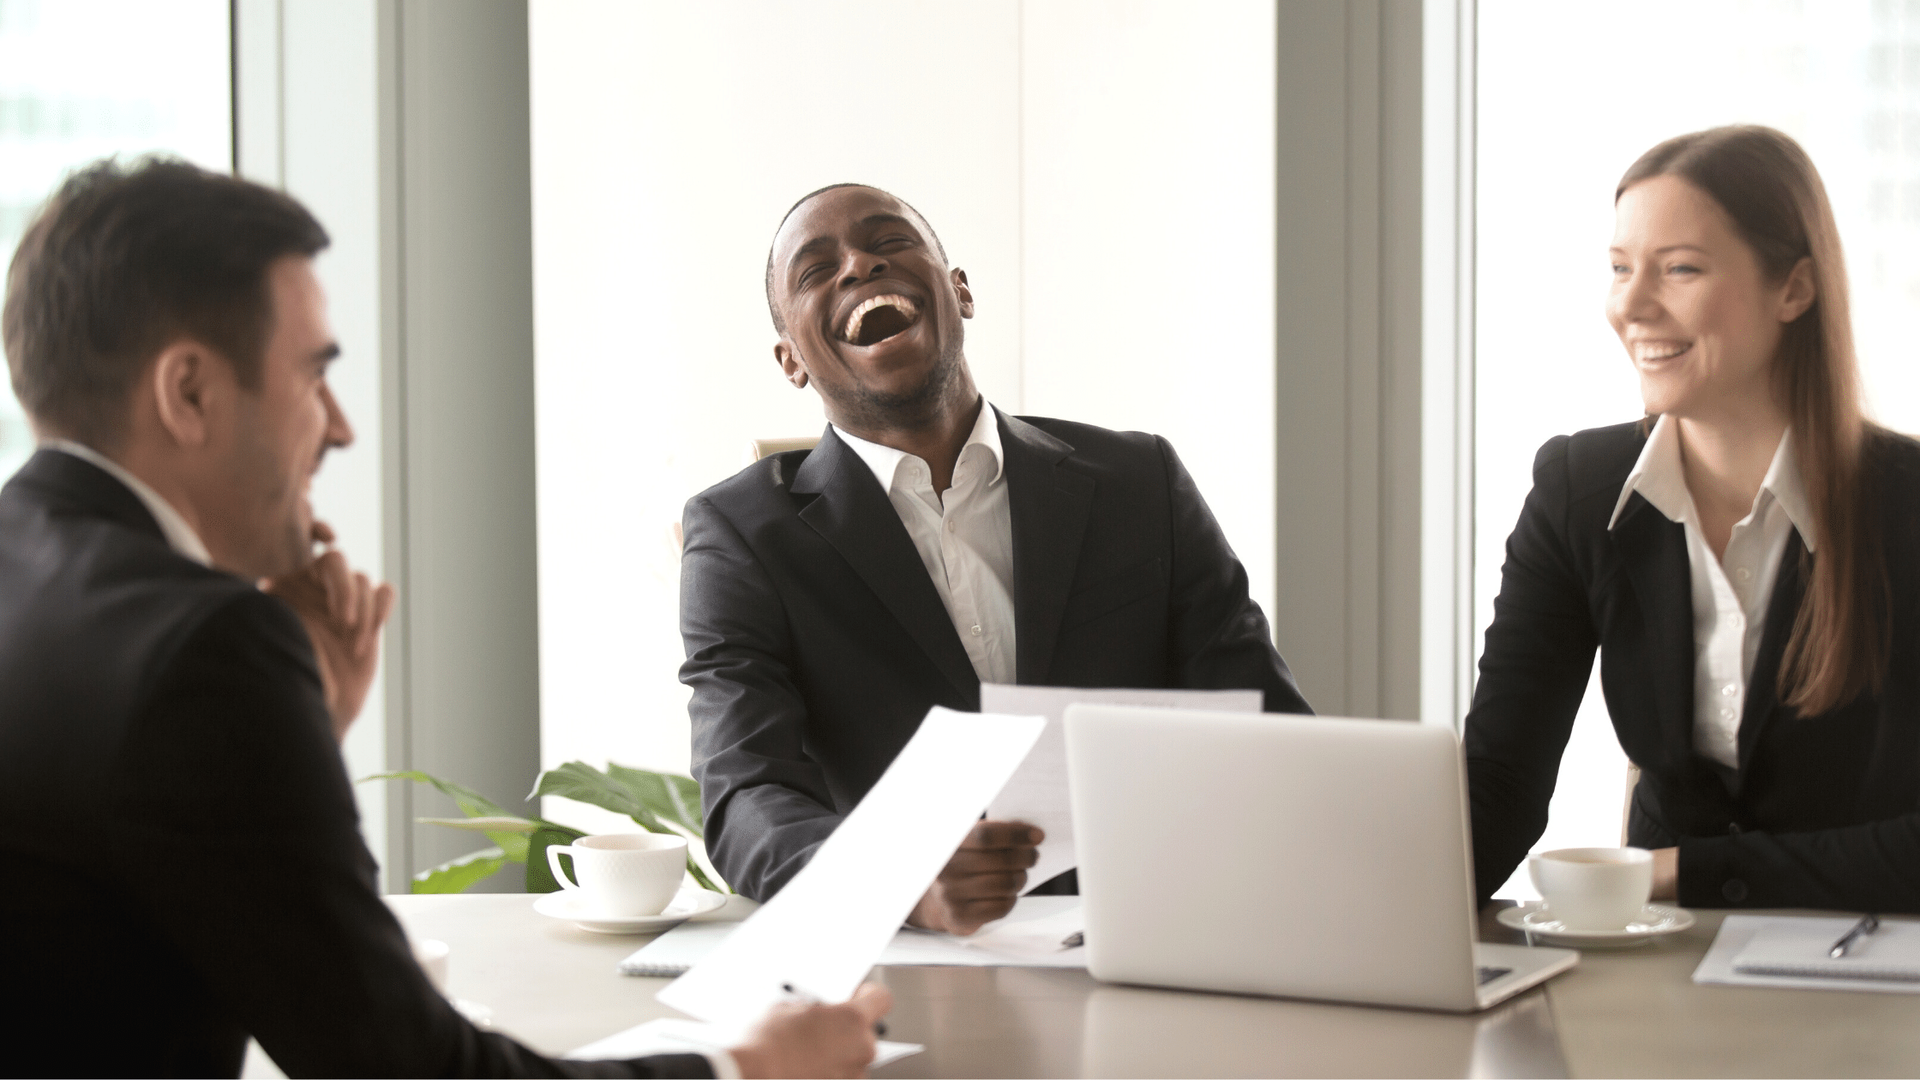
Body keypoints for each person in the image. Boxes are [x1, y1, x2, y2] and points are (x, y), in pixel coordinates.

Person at [0, 158, 890, 1078]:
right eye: (313, 376)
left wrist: (302, 732)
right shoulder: (202, 653)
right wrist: (746, 1071)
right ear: (189, 393)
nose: (340, 428)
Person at [680, 183, 1312, 926]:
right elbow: (745, 796)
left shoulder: (1141, 483)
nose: (858, 266)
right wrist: (899, 882)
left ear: (960, 293)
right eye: (817, 270)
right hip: (912, 976)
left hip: (1152, 936)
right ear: (791, 360)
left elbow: (1266, 736)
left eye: (889, 242)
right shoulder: (739, 534)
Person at [1465, 125, 1920, 913]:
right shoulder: (1577, 491)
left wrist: (1679, 875)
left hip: (1868, 975)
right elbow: (1498, 787)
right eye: (1619, 269)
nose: (1631, 306)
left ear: (1794, 290)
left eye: (1679, 270)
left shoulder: (1904, 505)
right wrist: (1371, 914)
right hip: (1659, 969)